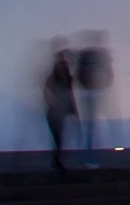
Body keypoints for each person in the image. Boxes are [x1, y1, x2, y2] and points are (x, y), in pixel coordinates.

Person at [74, 30, 113, 169]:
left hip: (94, 92)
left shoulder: (96, 55)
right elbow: (108, 73)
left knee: (91, 127)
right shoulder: (92, 55)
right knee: (91, 127)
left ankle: (89, 157)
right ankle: (89, 158)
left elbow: (109, 73)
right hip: (91, 92)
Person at [42, 41, 77, 171]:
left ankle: (57, 161)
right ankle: (57, 161)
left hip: (55, 110)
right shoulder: (58, 77)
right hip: (56, 111)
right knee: (58, 137)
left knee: (58, 137)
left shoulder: (54, 76)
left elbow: (48, 93)